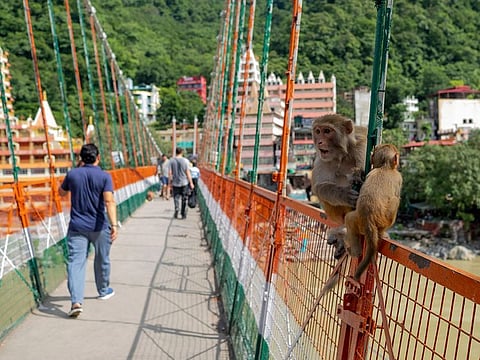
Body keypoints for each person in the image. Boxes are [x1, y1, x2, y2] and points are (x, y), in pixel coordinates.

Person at [59, 144, 118, 318]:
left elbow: (61, 193)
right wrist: (114, 225)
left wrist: (76, 173)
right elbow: (109, 202)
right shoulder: (104, 176)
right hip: (99, 226)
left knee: (76, 263)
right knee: (102, 259)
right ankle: (103, 289)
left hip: (77, 226)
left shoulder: (72, 175)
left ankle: (76, 301)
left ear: (80, 159)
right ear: (98, 157)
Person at [169, 147, 194, 219]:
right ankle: (183, 213)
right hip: (184, 182)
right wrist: (191, 183)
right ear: (182, 152)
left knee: (176, 197)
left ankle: (177, 208)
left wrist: (169, 183)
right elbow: (187, 172)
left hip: (175, 182)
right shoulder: (186, 161)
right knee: (184, 198)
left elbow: (170, 173)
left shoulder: (171, 161)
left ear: (175, 152)